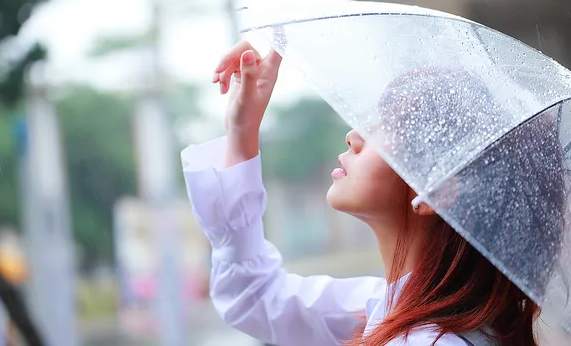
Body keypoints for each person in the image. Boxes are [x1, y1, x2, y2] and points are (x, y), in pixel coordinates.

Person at [181, 41, 566, 346]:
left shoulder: (421, 338)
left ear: (437, 190)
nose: (356, 135)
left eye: (392, 124)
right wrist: (243, 129)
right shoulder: (404, 312)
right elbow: (255, 296)